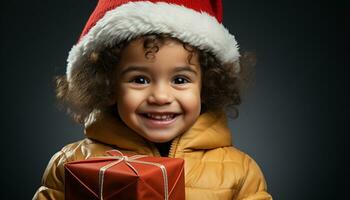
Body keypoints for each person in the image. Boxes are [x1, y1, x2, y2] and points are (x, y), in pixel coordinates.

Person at [33, 0, 272, 199]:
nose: (160, 96)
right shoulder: (70, 163)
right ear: (108, 84)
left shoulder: (240, 171)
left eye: (180, 80)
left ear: (206, 85)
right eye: (140, 80)